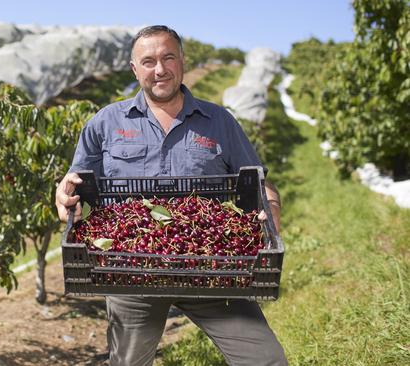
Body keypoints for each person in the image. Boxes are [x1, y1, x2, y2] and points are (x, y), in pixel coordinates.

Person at [55, 25, 287, 366]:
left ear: (182, 61)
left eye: (168, 58)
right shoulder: (105, 123)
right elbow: (74, 182)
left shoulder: (219, 121)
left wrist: (273, 206)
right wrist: (63, 197)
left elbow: (258, 181)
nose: (160, 69)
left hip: (212, 269)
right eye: (148, 61)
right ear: (135, 69)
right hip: (131, 272)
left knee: (265, 359)